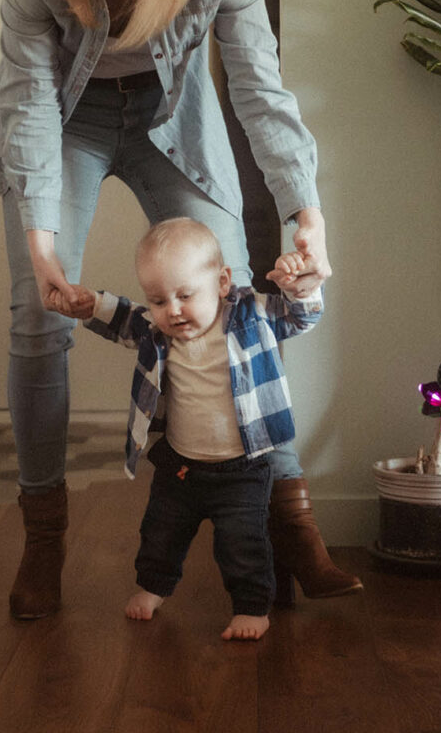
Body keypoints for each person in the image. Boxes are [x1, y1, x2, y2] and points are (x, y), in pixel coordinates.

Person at [0, 0, 361, 620]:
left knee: (238, 307)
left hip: (170, 121)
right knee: (37, 321)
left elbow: (260, 92)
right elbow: (30, 103)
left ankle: (291, 524)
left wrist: (304, 216)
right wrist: (41, 250)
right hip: (63, 127)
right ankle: (44, 537)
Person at [49, 217, 324, 641]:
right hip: (179, 466)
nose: (172, 310)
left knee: (243, 542)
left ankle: (252, 607)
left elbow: (300, 317)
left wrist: (298, 285)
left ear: (222, 282)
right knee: (160, 531)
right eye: (158, 299)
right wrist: (92, 305)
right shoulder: (158, 332)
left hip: (242, 468)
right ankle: (154, 586)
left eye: (184, 295)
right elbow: (124, 317)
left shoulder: (251, 314)